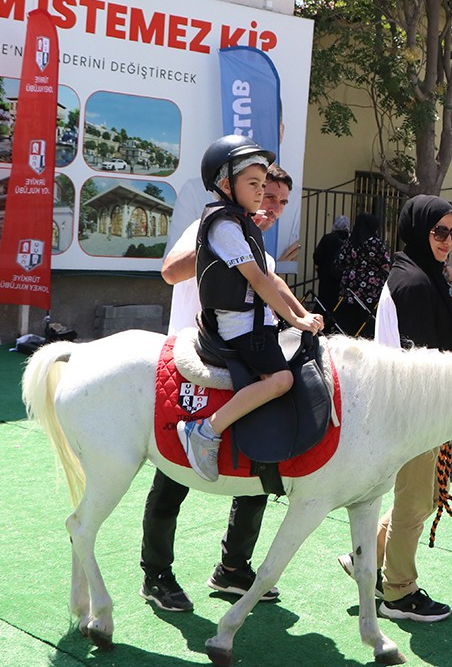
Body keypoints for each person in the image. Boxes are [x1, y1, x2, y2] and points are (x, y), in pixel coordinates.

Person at [141, 139, 320, 613]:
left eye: (278, 197)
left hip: (242, 348)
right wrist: (221, 247)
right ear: (231, 186)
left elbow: (270, 283)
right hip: (192, 349)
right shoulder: (217, 224)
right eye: (262, 189)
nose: (271, 203)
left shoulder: (250, 230)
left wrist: (297, 311)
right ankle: (156, 572)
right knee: (172, 474)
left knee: (260, 457)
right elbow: (170, 272)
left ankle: (233, 568)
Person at [338, 195, 452, 623]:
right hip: (413, 413)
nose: (448, 240)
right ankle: (398, 593)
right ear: (418, 231)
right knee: (413, 502)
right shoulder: (413, 283)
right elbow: (421, 364)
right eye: (439, 231)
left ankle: (365, 560)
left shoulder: (420, 275)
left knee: (423, 497)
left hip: (421, 412)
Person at [335, 213, 391, 337]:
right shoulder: (375, 243)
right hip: (371, 287)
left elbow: (340, 261)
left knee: (350, 315)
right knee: (368, 315)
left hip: (350, 284)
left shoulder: (349, 242)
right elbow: (385, 263)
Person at [313, 215, 350, 315]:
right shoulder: (350, 240)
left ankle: (324, 319)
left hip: (326, 274)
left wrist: (319, 266)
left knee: (324, 299)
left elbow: (318, 255)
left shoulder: (328, 238)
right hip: (343, 275)